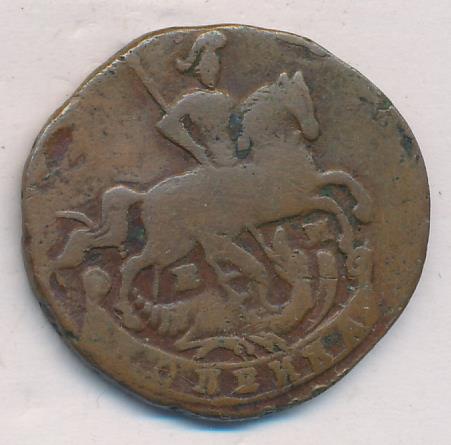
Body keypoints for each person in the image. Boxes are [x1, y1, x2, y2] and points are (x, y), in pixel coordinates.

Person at [156, 30, 242, 167]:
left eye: (216, 65)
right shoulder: (192, 100)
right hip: (215, 162)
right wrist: (194, 148)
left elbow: (239, 128)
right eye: (209, 67)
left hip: (235, 160)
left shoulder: (225, 99)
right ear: (197, 70)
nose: (215, 70)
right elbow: (166, 125)